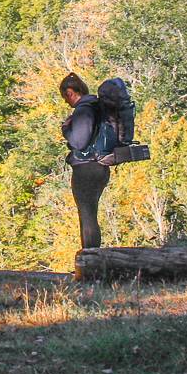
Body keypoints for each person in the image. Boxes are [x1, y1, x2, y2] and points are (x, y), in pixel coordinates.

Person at [60, 73, 111, 250]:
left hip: (87, 167)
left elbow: (79, 142)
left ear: (70, 92)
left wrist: (66, 130)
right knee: (90, 214)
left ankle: (90, 262)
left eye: (65, 97)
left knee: (87, 215)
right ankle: (92, 259)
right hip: (99, 165)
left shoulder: (84, 110)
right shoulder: (96, 107)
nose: (66, 101)